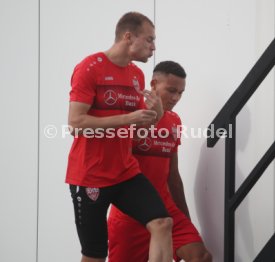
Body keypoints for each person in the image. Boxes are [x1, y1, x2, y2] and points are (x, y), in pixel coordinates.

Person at [65, 12, 174, 262]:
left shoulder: (136, 75)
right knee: (94, 254)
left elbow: (137, 132)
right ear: (128, 37)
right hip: (89, 175)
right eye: (149, 40)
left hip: (125, 172)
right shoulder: (89, 67)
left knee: (162, 223)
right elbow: (76, 123)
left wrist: (155, 114)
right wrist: (129, 118)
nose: (154, 47)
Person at [108, 61, 212, 262]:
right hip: (130, 213)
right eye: (171, 90)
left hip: (165, 209)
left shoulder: (174, 120)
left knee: (201, 257)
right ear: (154, 84)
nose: (176, 98)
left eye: (181, 93)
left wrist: (185, 220)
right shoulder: (132, 114)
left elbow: (173, 175)